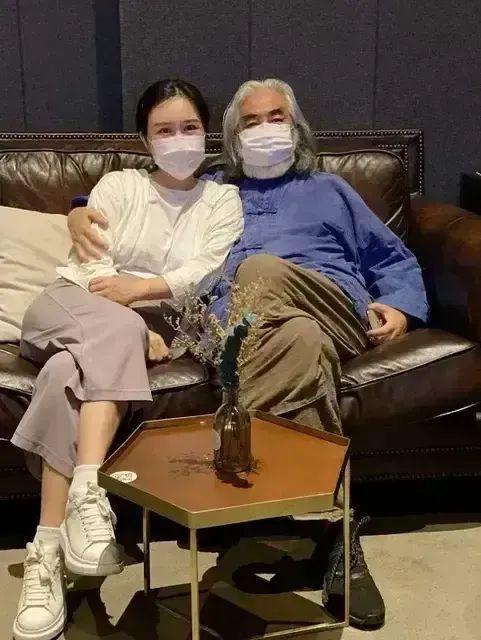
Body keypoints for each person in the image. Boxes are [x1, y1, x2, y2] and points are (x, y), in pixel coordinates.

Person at [67, 78, 429, 629]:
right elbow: (143, 200)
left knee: (261, 274)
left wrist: (400, 305)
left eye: (276, 117)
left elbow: (392, 258)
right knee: (299, 340)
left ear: (297, 127)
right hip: (244, 327)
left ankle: (240, 491)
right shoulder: (214, 190)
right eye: (250, 122)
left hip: (330, 303)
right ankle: (332, 530)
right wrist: (77, 209)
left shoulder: (331, 190)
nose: (265, 130)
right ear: (232, 138)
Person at [10, 78, 243, 640]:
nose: (179, 138)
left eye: (190, 127)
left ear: (206, 133)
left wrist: (141, 296)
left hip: (133, 327)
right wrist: (134, 320)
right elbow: (92, 265)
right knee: (112, 331)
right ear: (144, 139)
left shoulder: (222, 200)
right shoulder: (118, 185)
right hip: (69, 304)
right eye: (165, 129)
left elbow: (206, 270)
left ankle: (47, 550)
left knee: (64, 376)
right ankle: (90, 490)